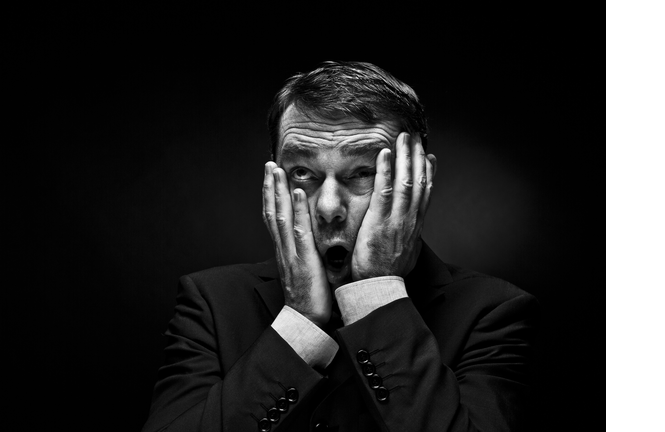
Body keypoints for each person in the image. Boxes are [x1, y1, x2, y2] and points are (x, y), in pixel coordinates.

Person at [142, 61, 539, 432]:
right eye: (303, 172)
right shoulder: (212, 302)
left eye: (363, 172)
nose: (329, 207)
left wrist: (376, 296)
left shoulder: (494, 311)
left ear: (419, 179)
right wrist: (298, 324)